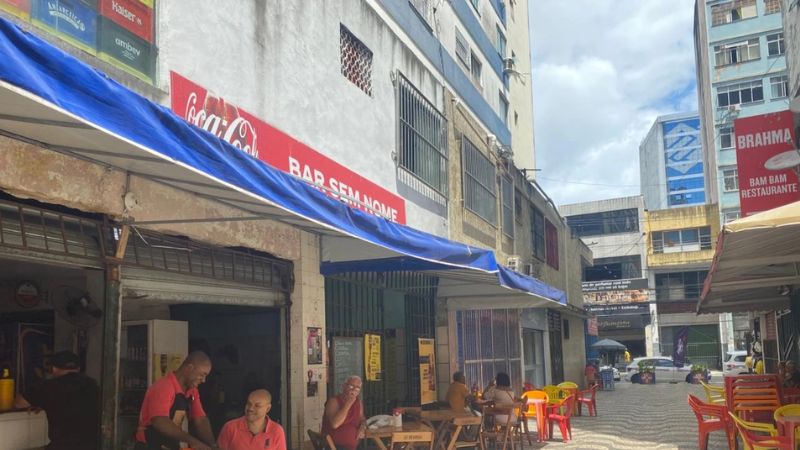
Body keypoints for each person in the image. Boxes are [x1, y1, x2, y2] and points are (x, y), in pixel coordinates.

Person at [14, 350, 99, 450]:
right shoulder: (93, 386)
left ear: (54, 369)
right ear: (78, 368)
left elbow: (18, 403)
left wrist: (42, 401)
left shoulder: (48, 387)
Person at [135, 351, 217, 450]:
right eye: (202, 375)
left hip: (169, 445)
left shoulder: (192, 391)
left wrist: (213, 446)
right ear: (189, 368)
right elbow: (160, 421)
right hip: (149, 445)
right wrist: (193, 442)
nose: (203, 380)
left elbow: (200, 420)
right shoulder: (164, 386)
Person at [217, 389, 285, 450]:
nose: (251, 408)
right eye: (249, 404)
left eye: (257, 405)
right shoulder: (230, 427)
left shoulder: (276, 431)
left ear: (268, 409)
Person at [322, 375, 365, 450]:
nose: (354, 390)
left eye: (357, 388)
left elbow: (362, 418)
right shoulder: (333, 402)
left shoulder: (358, 403)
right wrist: (348, 403)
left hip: (354, 445)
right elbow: (335, 424)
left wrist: (362, 427)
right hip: (335, 446)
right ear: (344, 386)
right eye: (351, 386)